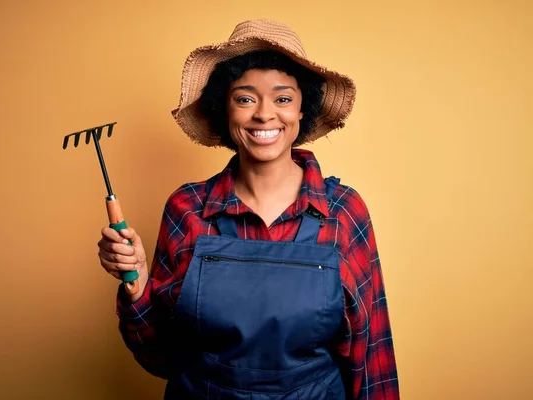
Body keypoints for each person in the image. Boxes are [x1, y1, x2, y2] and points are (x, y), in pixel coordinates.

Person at [97, 19, 399, 399]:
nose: (264, 114)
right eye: (245, 98)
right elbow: (160, 357)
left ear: (303, 108)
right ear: (225, 108)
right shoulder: (187, 209)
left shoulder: (344, 211)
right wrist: (137, 281)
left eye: (283, 98)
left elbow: (371, 355)